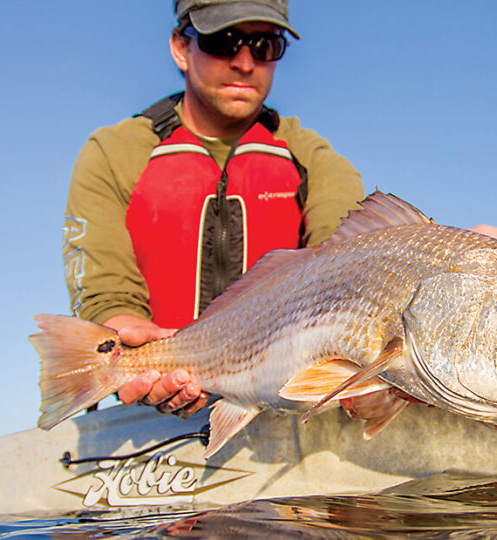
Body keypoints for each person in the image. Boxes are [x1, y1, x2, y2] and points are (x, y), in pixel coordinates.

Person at [63, 0, 365, 418]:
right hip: (145, 412)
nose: (245, 62)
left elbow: (350, 258)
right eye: (223, 41)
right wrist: (121, 328)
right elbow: (103, 286)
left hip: (280, 404)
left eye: (266, 45)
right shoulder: (112, 152)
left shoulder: (312, 157)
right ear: (180, 47)